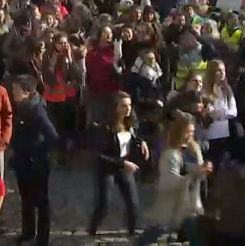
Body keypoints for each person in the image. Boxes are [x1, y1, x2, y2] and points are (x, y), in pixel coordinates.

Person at [142, 110, 211, 246]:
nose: (190, 136)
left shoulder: (194, 150)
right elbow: (168, 182)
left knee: (195, 237)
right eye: (187, 132)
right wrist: (193, 173)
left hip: (190, 205)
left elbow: (198, 173)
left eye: (192, 132)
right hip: (171, 206)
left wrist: (204, 169)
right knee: (156, 235)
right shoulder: (170, 154)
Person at [88, 91, 150, 239]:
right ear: (115, 107)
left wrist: (142, 142)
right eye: (123, 106)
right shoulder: (104, 127)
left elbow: (134, 136)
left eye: (129, 105)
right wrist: (122, 163)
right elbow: (99, 154)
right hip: (107, 168)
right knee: (104, 205)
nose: (127, 109)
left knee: (133, 203)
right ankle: (92, 229)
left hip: (124, 167)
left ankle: (132, 232)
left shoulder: (131, 122)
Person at [10, 75, 59, 246]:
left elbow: (52, 136)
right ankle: (28, 232)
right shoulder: (21, 106)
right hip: (22, 161)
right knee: (26, 199)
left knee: (41, 201)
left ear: (27, 92)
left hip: (36, 164)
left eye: (16, 89)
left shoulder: (37, 111)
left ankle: (42, 238)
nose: (13, 92)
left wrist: (36, 152)